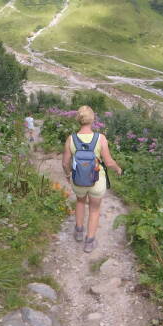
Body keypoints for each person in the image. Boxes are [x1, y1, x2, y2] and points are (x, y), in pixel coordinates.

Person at [62, 105, 122, 252]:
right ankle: (89, 242)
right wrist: (118, 169)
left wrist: (68, 175)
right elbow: (108, 162)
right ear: (93, 119)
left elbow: (65, 163)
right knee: (94, 209)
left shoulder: (71, 139)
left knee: (80, 202)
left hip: (78, 179)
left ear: (78, 119)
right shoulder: (100, 138)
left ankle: (78, 232)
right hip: (97, 180)